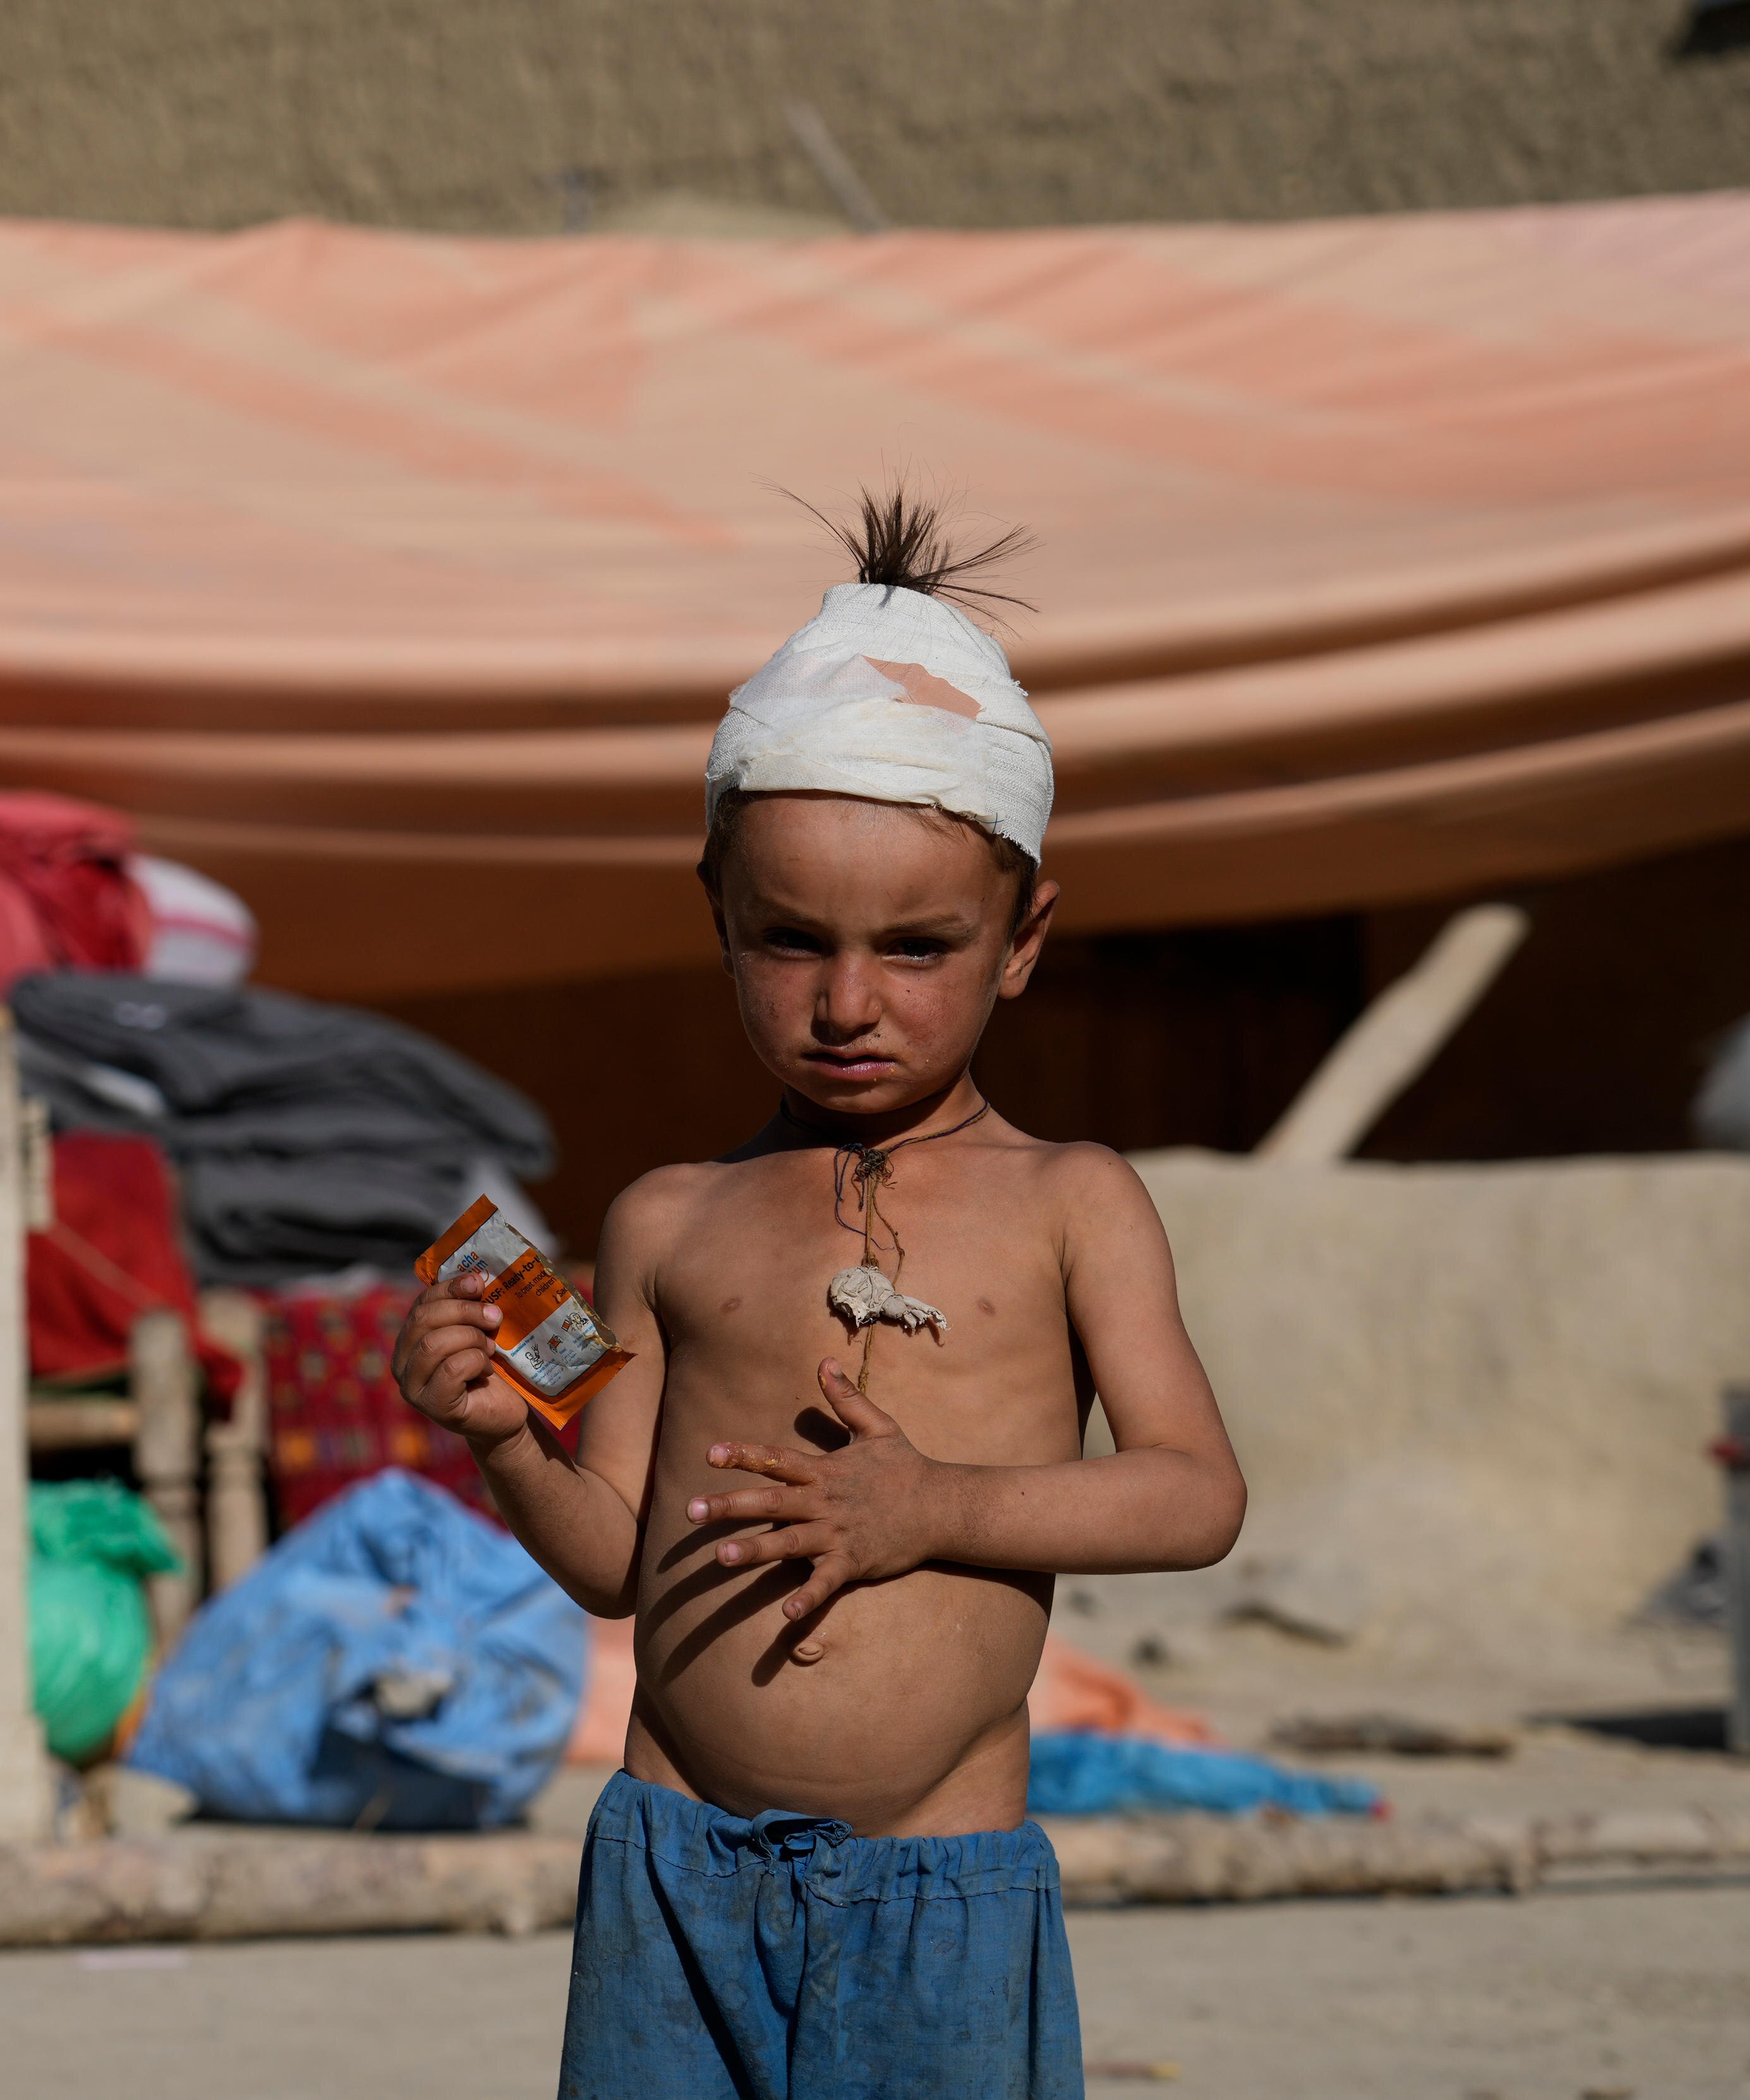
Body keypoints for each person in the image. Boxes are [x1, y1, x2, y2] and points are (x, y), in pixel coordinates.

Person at [394, 493, 1247, 2100]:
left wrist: (934, 1507)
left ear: (1022, 939)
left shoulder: (1072, 1201)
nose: (848, 1003)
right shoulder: (665, 1218)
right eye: (790, 941)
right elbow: (614, 1561)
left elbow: (1193, 1494)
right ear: (717, 919)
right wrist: (504, 1438)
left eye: (916, 948)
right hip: (673, 1869)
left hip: (939, 1887)